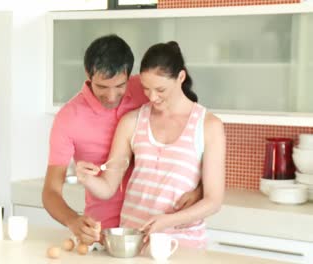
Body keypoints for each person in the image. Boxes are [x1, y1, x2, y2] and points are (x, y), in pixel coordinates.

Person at [42, 35, 203, 245]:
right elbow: (50, 191)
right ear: (87, 75)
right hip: (103, 231)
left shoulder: (146, 89)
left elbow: (192, 132)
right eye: (101, 86)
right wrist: (73, 220)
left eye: (120, 85)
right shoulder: (68, 118)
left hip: (154, 226)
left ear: (130, 74)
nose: (111, 96)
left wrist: (200, 190)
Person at [76, 41, 226, 248]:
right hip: (133, 243)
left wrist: (168, 221)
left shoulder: (209, 126)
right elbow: (109, 186)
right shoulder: (131, 122)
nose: (153, 97)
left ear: (181, 78)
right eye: (146, 89)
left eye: (160, 89)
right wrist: (87, 179)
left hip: (183, 245)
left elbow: (213, 200)